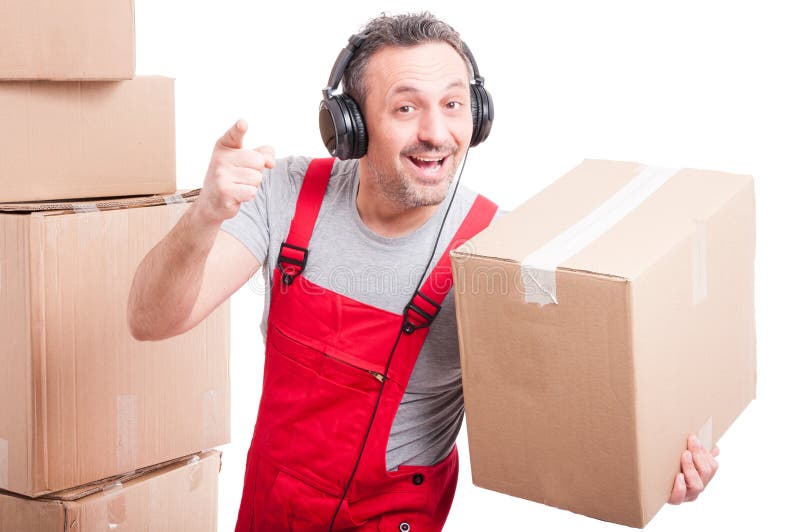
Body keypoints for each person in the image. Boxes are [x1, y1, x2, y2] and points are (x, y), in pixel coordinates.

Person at [127, 12, 719, 531]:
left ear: (478, 116)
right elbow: (150, 320)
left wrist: (658, 464)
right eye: (406, 107)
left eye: (454, 105)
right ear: (348, 126)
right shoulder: (284, 193)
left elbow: (575, 408)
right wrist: (204, 217)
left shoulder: (502, 250)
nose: (436, 134)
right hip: (269, 513)